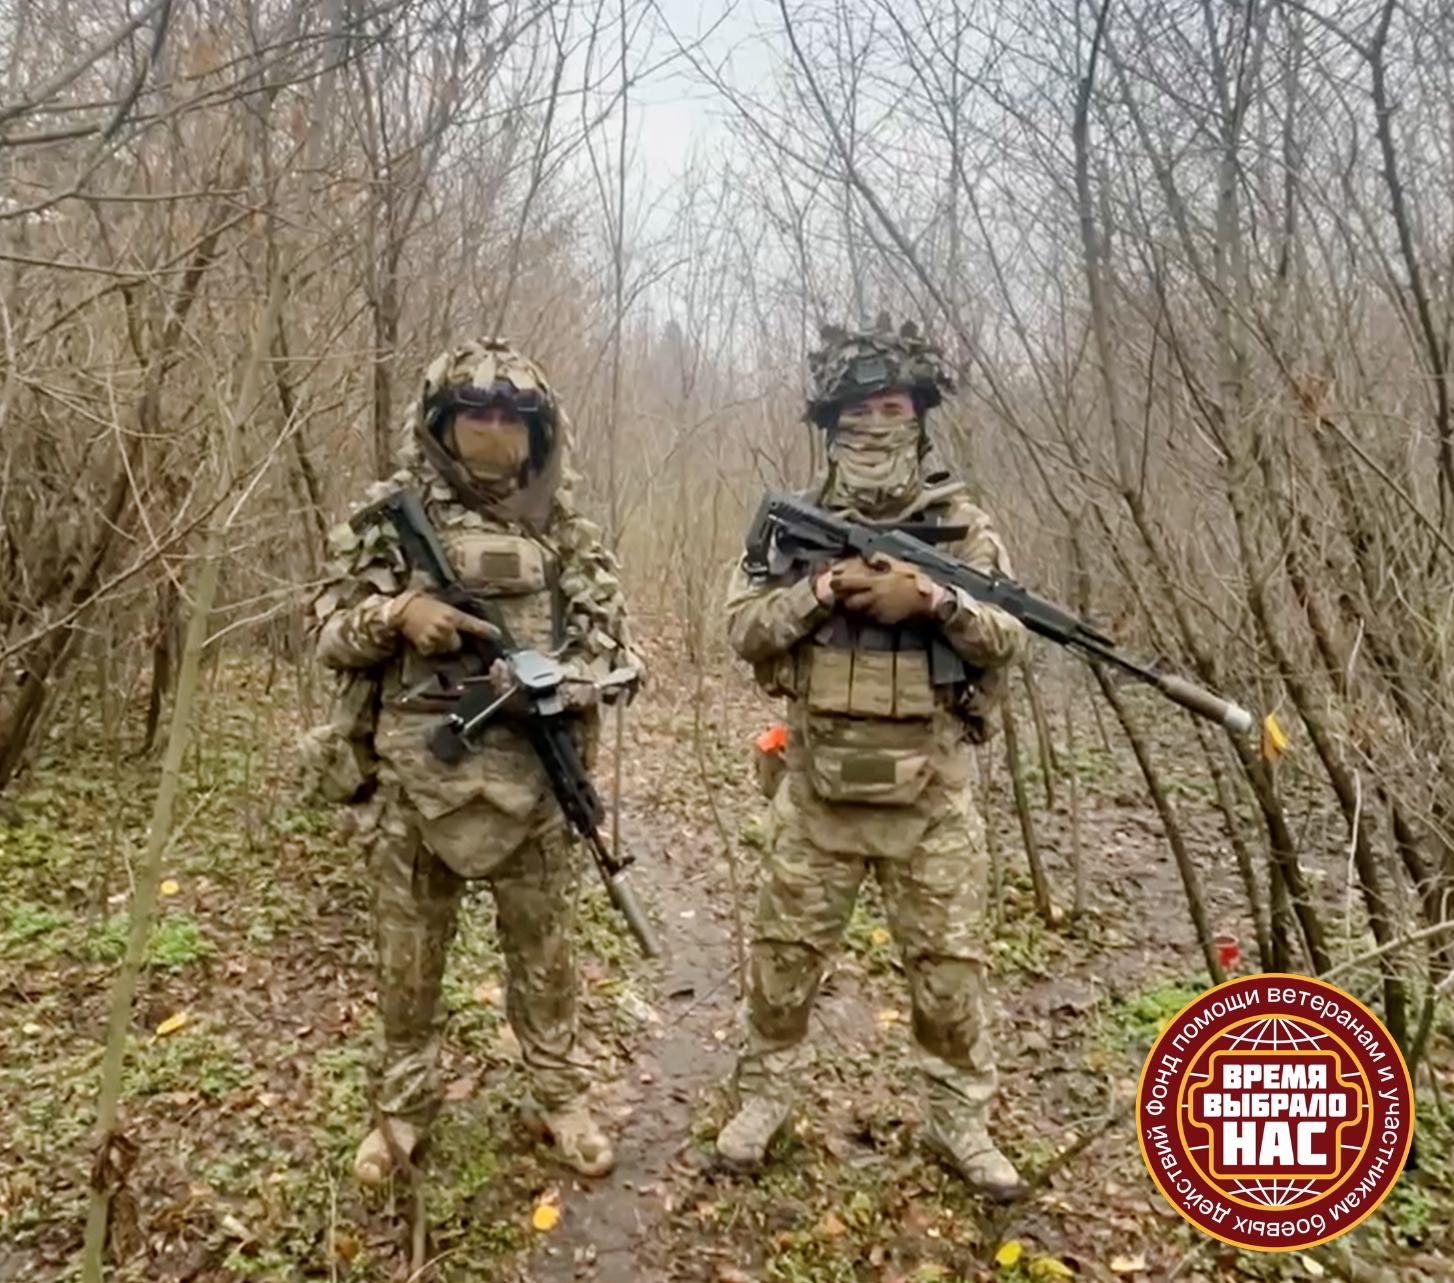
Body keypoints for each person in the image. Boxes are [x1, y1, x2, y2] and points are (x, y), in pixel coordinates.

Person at [308, 338, 640, 1183]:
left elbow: (615, 652)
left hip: (536, 780)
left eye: (510, 417)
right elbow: (328, 631)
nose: (494, 430)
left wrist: (561, 681)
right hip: (415, 783)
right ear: (441, 424)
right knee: (408, 964)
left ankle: (560, 1096)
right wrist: (398, 614)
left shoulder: (566, 532)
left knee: (545, 957)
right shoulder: (388, 520)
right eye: (475, 415)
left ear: (537, 431)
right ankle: (402, 1111)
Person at [716, 318, 1027, 1198]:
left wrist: (931, 600)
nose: (875, 426)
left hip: (932, 798)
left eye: (892, 408)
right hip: (817, 794)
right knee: (782, 965)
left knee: (949, 975)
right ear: (830, 425)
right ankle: (763, 1100)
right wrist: (822, 590)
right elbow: (742, 628)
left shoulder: (961, 526)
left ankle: (959, 1120)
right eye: (857, 412)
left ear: (920, 418)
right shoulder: (792, 529)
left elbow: (1011, 634)